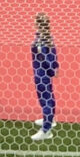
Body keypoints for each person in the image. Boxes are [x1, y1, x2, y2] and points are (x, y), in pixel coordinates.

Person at [30, 13, 59, 141]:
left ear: (37, 24)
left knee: (46, 99)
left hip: (42, 74)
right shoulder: (46, 36)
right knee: (47, 96)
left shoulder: (41, 42)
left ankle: (46, 130)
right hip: (41, 72)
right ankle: (49, 119)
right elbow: (53, 52)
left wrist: (52, 70)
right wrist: (56, 67)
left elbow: (46, 58)